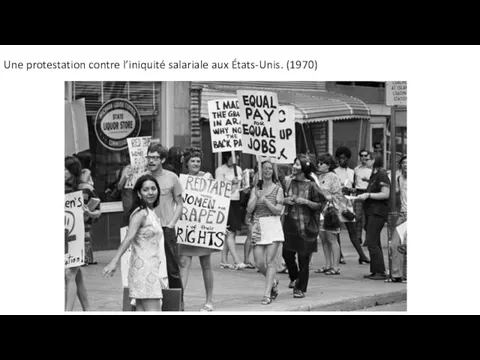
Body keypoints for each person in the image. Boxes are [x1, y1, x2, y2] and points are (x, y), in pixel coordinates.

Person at [102, 175, 168, 311]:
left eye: (153, 189)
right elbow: (128, 237)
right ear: (138, 193)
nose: (150, 192)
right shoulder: (140, 213)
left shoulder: (151, 212)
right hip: (144, 271)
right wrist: (114, 261)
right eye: (145, 190)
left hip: (150, 269)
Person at [314, 154, 370, 276]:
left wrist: (324, 194)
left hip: (331, 210)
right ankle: (328, 265)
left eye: (321, 163)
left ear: (328, 165)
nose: (319, 165)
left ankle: (335, 266)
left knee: (332, 238)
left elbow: (337, 195)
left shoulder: (333, 177)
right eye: (318, 163)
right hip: (321, 210)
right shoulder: (320, 176)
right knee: (323, 238)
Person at [177, 147, 217, 312]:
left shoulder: (207, 177)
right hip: (187, 227)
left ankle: (209, 301)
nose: (196, 163)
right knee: (184, 263)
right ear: (187, 163)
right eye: (192, 161)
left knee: (206, 264)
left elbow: (216, 201)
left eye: (198, 161)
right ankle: (180, 301)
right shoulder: (180, 180)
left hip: (203, 228)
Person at [145, 143, 185, 308]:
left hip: (166, 228)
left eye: (155, 157)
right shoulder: (144, 178)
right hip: (147, 229)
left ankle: (178, 304)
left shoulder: (172, 177)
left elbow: (180, 204)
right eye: (149, 157)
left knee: (172, 269)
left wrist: (171, 223)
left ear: (162, 159)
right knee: (149, 267)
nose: (151, 161)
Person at [282, 154, 324, 298]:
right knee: (286, 254)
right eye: (294, 163)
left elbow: (319, 205)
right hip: (289, 226)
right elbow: (280, 198)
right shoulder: (287, 182)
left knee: (303, 259)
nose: (294, 166)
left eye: (298, 164)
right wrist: (286, 200)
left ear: (304, 168)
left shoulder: (312, 185)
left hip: (306, 228)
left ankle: (300, 287)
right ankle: (295, 277)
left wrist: (305, 202)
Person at [246, 159, 285, 305]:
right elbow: (249, 209)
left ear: (273, 171)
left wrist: (266, 201)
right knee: (259, 263)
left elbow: (279, 210)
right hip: (259, 226)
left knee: (270, 262)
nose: (267, 170)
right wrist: (257, 196)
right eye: (265, 168)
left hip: (273, 225)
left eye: (270, 168)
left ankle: (267, 294)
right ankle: (273, 282)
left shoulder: (278, 189)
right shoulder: (255, 189)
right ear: (261, 172)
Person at [65, 156, 98, 311]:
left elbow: (98, 211)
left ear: (73, 171)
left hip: (81, 236)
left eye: (65, 169)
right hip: (64, 238)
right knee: (76, 276)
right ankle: (87, 309)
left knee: (69, 274)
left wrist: (89, 213)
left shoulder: (86, 189)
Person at [355, 152, 391, 280]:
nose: (365, 160)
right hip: (370, 211)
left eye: (368, 159)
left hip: (378, 212)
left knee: (371, 240)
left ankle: (380, 271)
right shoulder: (374, 175)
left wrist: (368, 195)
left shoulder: (381, 175)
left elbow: (385, 194)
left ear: (375, 160)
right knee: (373, 241)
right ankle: (376, 270)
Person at [215, 151, 247, 270]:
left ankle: (224, 260)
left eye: (237, 156)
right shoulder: (220, 170)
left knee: (231, 231)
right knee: (230, 232)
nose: (236, 158)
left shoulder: (238, 169)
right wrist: (229, 182)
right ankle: (237, 259)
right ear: (227, 157)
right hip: (225, 201)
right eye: (233, 156)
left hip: (235, 200)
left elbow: (240, 186)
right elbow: (218, 187)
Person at [74, 151, 101, 266]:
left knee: (84, 235)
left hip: (81, 207)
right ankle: (87, 258)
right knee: (86, 235)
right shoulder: (87, 175)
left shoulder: (81, 175)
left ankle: (86, 258)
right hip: (86, 207)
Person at [334, 146, 356, 264]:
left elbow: (356, 188)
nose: (341, 160)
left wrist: (351, 190)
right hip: (336, 203)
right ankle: (339, 255)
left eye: (343, 158)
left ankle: (362, 255)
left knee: (352, 229)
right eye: (339, 158)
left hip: (348, 204)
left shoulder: (352, 172)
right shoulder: (334, 172)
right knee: (336, 231)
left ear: (348, 159)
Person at [354, 149, 373, 247]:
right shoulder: (356, 169)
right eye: (362, 156)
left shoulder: (372, 169)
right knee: (357, 216)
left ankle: (368, 238)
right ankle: (358, 237)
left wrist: (368, 180)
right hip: (358, 192)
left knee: (368, 217)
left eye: (366, 156)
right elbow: (354, 182)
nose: (364, 158)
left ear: (369, 157)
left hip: (369, 193)